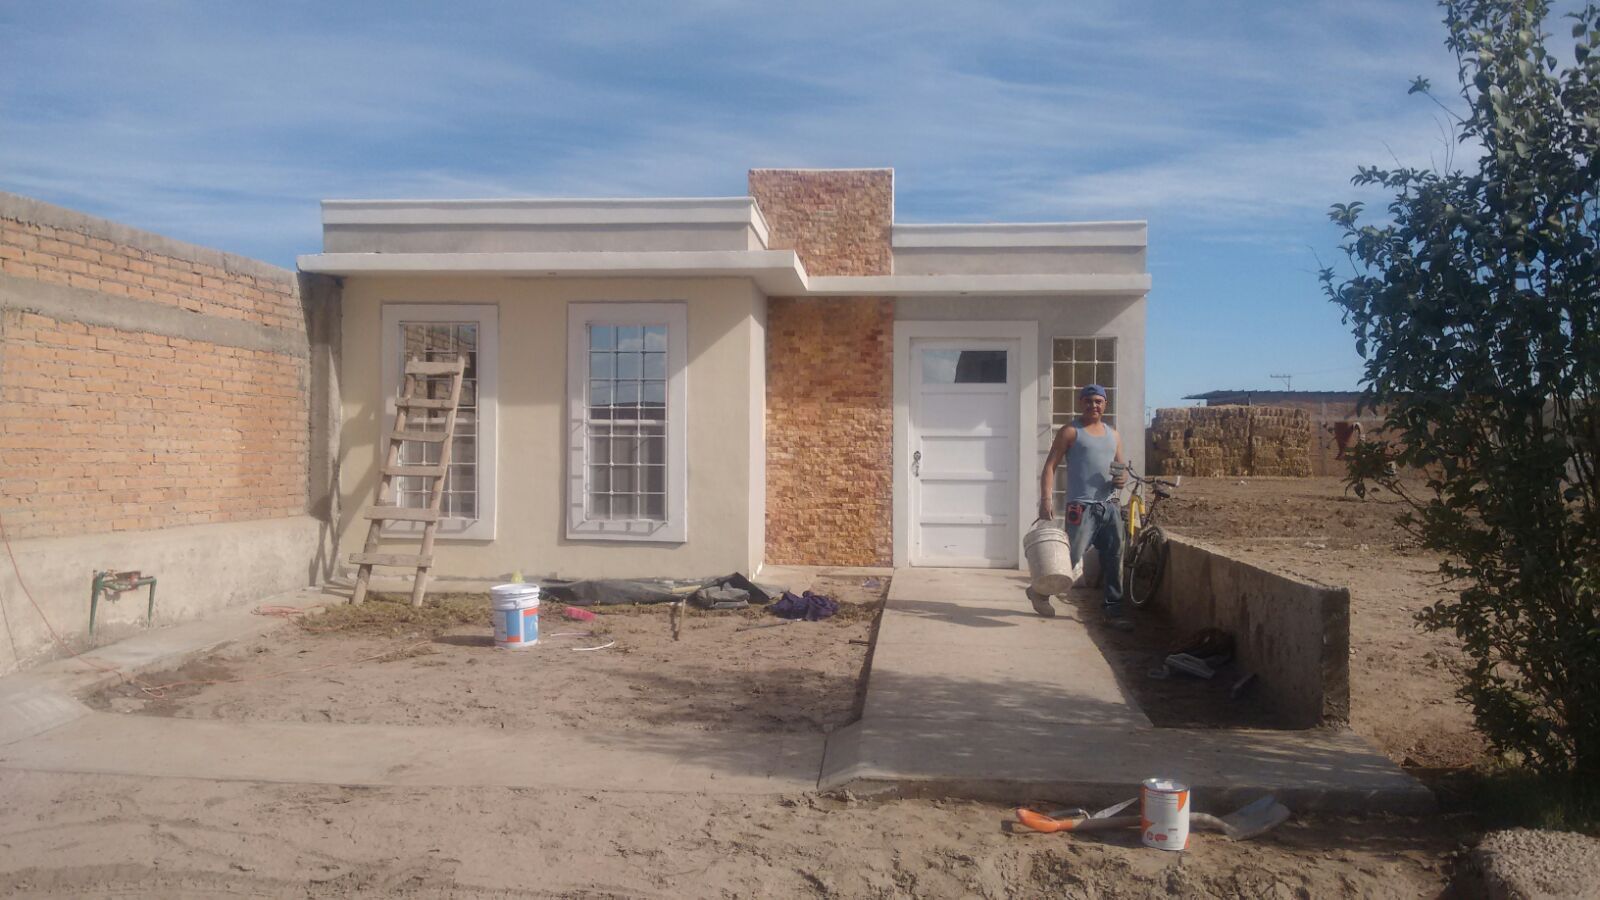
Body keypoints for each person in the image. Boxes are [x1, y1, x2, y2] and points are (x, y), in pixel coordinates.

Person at [1034, 383, 1132, 629]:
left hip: (1109, 507)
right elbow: (1050, 467)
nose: (1093, 405)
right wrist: (1046, 500)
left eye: (1098, 401)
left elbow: (1121, 468)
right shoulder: (1071, 432)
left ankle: (1113, 611)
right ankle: (1039, 592)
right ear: (1081, 403)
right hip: (1081, 509)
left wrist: (1122, 479)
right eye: (1089, 401)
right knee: (1069, 558)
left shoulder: (1114, 435)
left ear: (1105, 404)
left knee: (1114, 558)